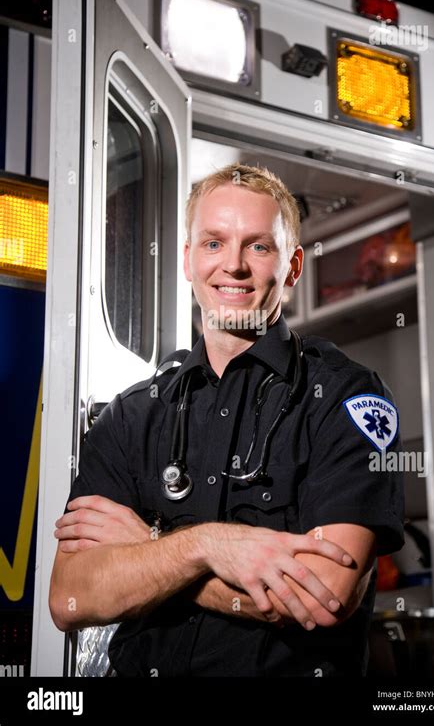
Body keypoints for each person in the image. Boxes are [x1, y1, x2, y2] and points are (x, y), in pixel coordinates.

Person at [49, 163, 404, 677]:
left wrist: (148, 548)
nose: (233, 266)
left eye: (258, 246)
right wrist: (205, 546)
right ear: (188, 260)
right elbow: (70, 597)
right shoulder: (132, 416)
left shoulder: (345, 399)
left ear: (293, 267)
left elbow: (323, 596)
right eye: (213, 243)